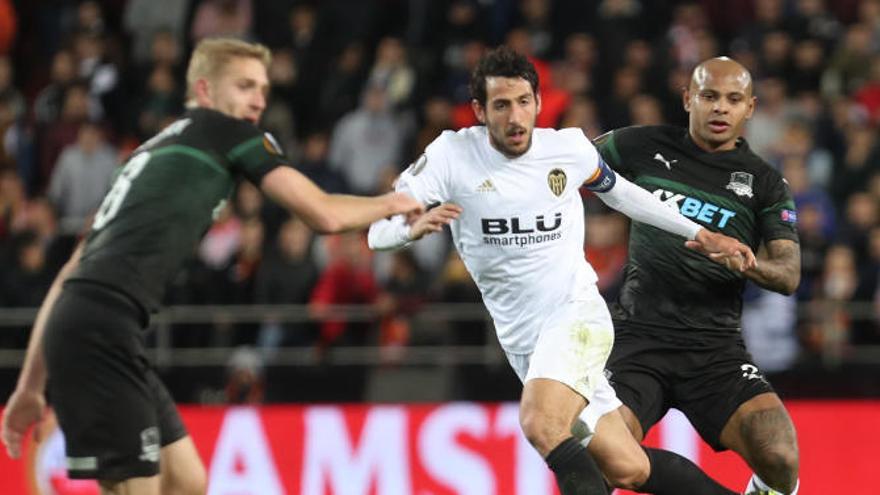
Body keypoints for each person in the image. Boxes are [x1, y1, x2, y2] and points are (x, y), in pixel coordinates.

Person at [0, 38, 422, 495]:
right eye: (244, 86)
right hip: (103, 332)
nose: (259, 100)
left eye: (262, 88)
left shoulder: (147, 153)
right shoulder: (227, 131)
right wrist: (395, 202)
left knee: (188, 481)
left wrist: (30, 384)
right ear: (205, 91)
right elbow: (323, 213)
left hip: (100, 328)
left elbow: (69, 275)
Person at [369, 46, 755, 495]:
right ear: (478, 110)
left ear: (537, 100)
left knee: (540, 422)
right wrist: (408, 229)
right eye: (501, 105)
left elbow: (623, 193)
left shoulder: (566, 149)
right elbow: (377, 232)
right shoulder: (450, 157)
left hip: (576, 317)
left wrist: (700, 233)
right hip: (522, 342)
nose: (516, 117)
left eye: (524, 102)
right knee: (626, 467)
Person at [592, 57, 802, 495]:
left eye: (733, 99)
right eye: (708, 96)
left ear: (750, 108)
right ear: (688, 99)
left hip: (715, 350)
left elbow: (788, 275)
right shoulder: (639, 145)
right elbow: (565, 162)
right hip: (638, 339)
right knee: (604, 458)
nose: (720, 108)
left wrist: (745, 261)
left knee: (780, 455)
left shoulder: (765, 184)